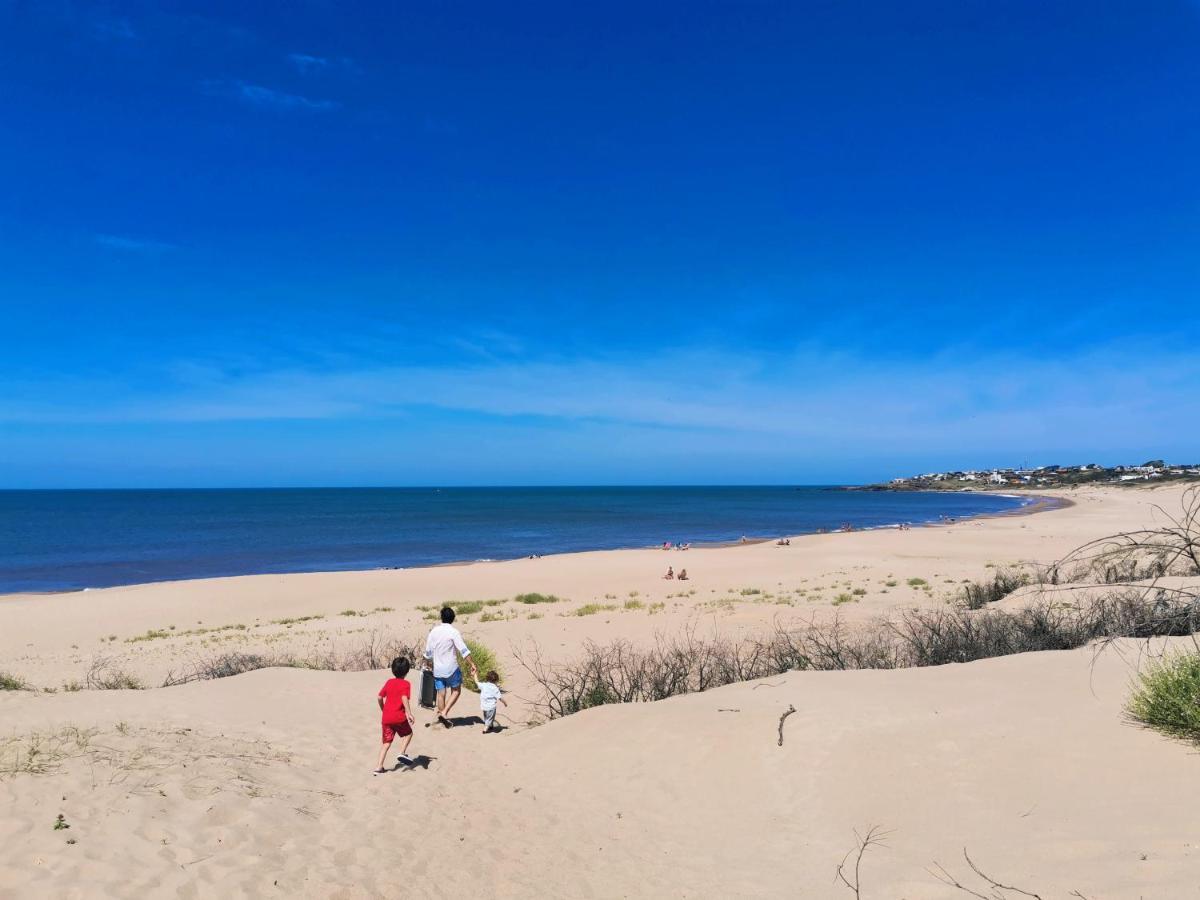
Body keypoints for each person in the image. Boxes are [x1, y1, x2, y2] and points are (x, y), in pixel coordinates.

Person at [424, 606, 478, 728]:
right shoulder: (453, 632)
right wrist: (472, 664)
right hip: (451, 668)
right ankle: (444, 713)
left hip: (437, 670)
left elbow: (428, 653)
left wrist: (428, 665)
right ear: (453, 618)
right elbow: (463, 650)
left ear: (441, 617)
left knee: (441, 694)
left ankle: (443, 719)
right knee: (456, 690)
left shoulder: (434, 631)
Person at [375, 657, 415, 773]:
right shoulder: (406, 684)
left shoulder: (389, 682)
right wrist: (409, 713)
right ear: (407, 671)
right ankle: (402, 753)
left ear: (393, 669)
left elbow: (379, 697)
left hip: (386, 718)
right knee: (408, 734)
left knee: (386, 743)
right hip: (399, 717)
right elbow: (404, 697)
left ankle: (378, 767)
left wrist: (384, 709)